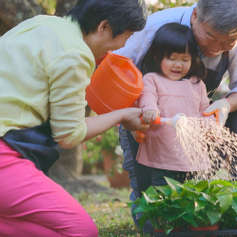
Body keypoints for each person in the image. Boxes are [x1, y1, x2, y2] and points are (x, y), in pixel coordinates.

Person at [116, 0, 237, 224]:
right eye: (211, 37)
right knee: (152, 218)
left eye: (229, 41)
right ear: (195, 16)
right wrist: (133, 118)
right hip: (149, 126)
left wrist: (226, 106)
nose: (218, 48)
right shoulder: (153, 27)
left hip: (197, 126)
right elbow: (112, 72)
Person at [0, 0, 147, 236]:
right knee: (81, 230)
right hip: (4, 156)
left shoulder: (43, 24)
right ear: (104, 27)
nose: (121, 46)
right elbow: (68, 135)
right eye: (126, 37)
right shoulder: (75, 54)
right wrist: (121, 115)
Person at [134, 22, 211, 196]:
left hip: (193, 158)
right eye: (172, 58)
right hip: (161, 157)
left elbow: (205, 111)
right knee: (162, 197)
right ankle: (161, 223)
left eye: (185, 59)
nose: (178, 64)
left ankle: (188, 224)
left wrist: (210, 124)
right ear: (158, 57)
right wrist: (149, 110)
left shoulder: (197, 85)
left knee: (192, 198)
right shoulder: (152, 79)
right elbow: (148, 99)